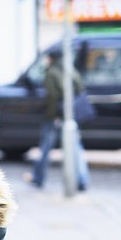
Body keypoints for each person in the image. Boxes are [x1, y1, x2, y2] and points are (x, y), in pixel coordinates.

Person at [25, 49, 90, 191]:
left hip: (55, 116)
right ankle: (82, 180)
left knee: (45, 148)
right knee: (76, 148)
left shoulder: (52, 72)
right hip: (71, 116)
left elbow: (52, 97)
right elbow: (80, 88)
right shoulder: (70, 69)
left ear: (51, 58)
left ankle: (38, 177)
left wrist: (55, 116)